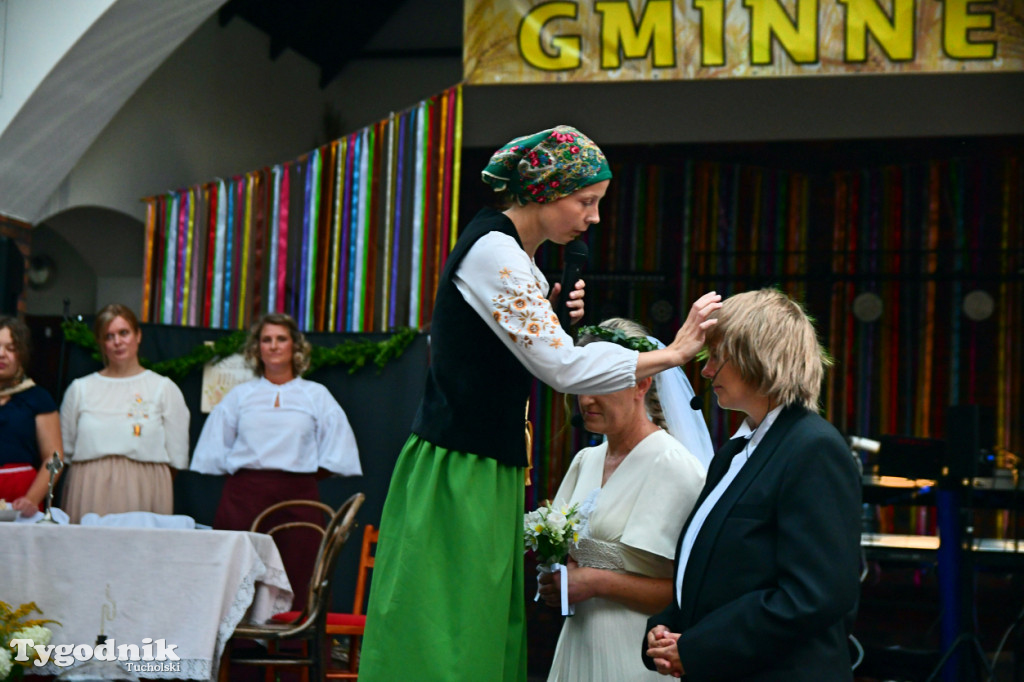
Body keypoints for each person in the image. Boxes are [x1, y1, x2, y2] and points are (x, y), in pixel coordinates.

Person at [358, 124, 722, 682]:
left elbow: (532, 353)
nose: (593, 218)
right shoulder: (494, 253)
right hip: (460, 462)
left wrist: (548, 316)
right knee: (447, 628)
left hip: (486, 460)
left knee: (476, 622)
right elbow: (564, 370)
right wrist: (671, 354)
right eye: (585, 201)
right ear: (544, 192)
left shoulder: (515, 259)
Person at [643, 289, 862, 681]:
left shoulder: (814, 448)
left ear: (757, 356)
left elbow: (814, 595)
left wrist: (697, 647)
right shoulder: (733, 453)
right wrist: (666, 626)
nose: (706, 372)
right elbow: (711, 567)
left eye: (716, 357)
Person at [538, 318, 708, 681]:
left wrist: (595, 583)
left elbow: (688, 595)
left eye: (600, 384)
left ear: (642, 383)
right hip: (577, 644)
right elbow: (569, 560)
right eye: (582, 384)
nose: (586, 399)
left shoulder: (674, 466)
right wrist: (558, 583)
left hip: (636, 655)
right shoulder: (585, 460)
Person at [190, 312, 361, 610]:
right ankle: (239, 652)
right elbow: (213, 452)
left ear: (295, 345)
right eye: (266, 339)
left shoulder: (315, 395)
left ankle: (297, 648)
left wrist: (298, 476)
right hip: (244, 498)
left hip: (299, 499)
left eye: (281, 339)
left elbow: (338, 451)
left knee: (299, 569)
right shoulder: (240, 396)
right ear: (256, 348)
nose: (273, 345)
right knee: (241, 573)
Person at [61, 304, 189, 523]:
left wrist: (142, 480)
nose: (117, 342)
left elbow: (176, 456)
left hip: (144, 489)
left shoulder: (163, 388)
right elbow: (65, 451)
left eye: (123, 333)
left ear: (138, 336)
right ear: (101, 343)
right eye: (109, 336)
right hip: (90, 488)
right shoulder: (80, 389)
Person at [0, 316, 63, 515]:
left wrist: (32, 499)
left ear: (22, 354)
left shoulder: (38, 398)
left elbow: (54, 458)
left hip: (21, 499)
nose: (1, 354)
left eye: (11, 348)